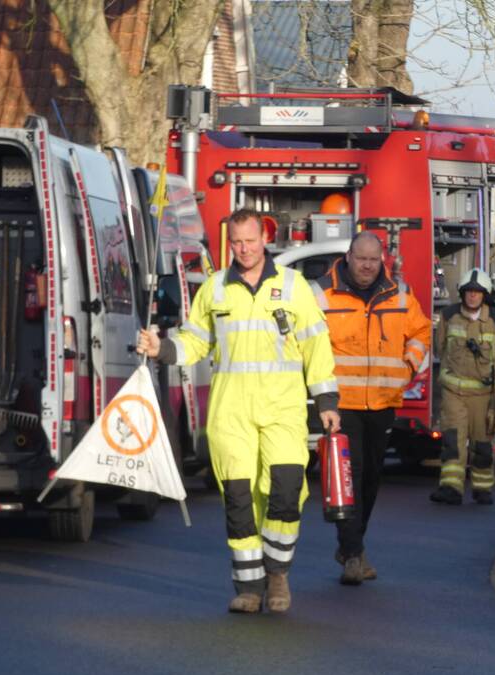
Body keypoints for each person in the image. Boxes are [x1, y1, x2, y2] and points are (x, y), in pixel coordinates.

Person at [138, 208, 340, 613]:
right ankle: (249, 587)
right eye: (236, 242)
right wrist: (162, 349)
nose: (244, 249)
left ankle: (278, 574)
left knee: (285, 493)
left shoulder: (294, 286)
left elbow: (317, 346)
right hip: (231, 412)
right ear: (228, 242)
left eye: (250, 241)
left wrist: (327, 402)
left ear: (263, 239)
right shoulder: (213, 290)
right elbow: (195, 343)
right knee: (239, 496)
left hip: (282, 408)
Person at [312, 231, 431, 585]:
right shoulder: (321, 292)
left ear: (383, 261)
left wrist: (408, 366)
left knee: (371, 480)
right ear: (348, 256)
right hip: (339, 404)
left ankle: (354, 545)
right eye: (361, 258)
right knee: (350, 477)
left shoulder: (400, 295)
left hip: (382, 402)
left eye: (373, 260)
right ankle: (351, 553)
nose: (366, 266)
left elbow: (422, 334)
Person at [430, 268, 495, 506]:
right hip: (453, 392)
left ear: (485, 295)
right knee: (453, 441)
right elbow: (440, 347)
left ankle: (482, 488)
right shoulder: (448, 316)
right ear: (462, 293)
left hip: (483, 395)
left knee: (482, 444)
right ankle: (451, 488)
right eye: (468, 292)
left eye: (477, 292)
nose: (472, 296)